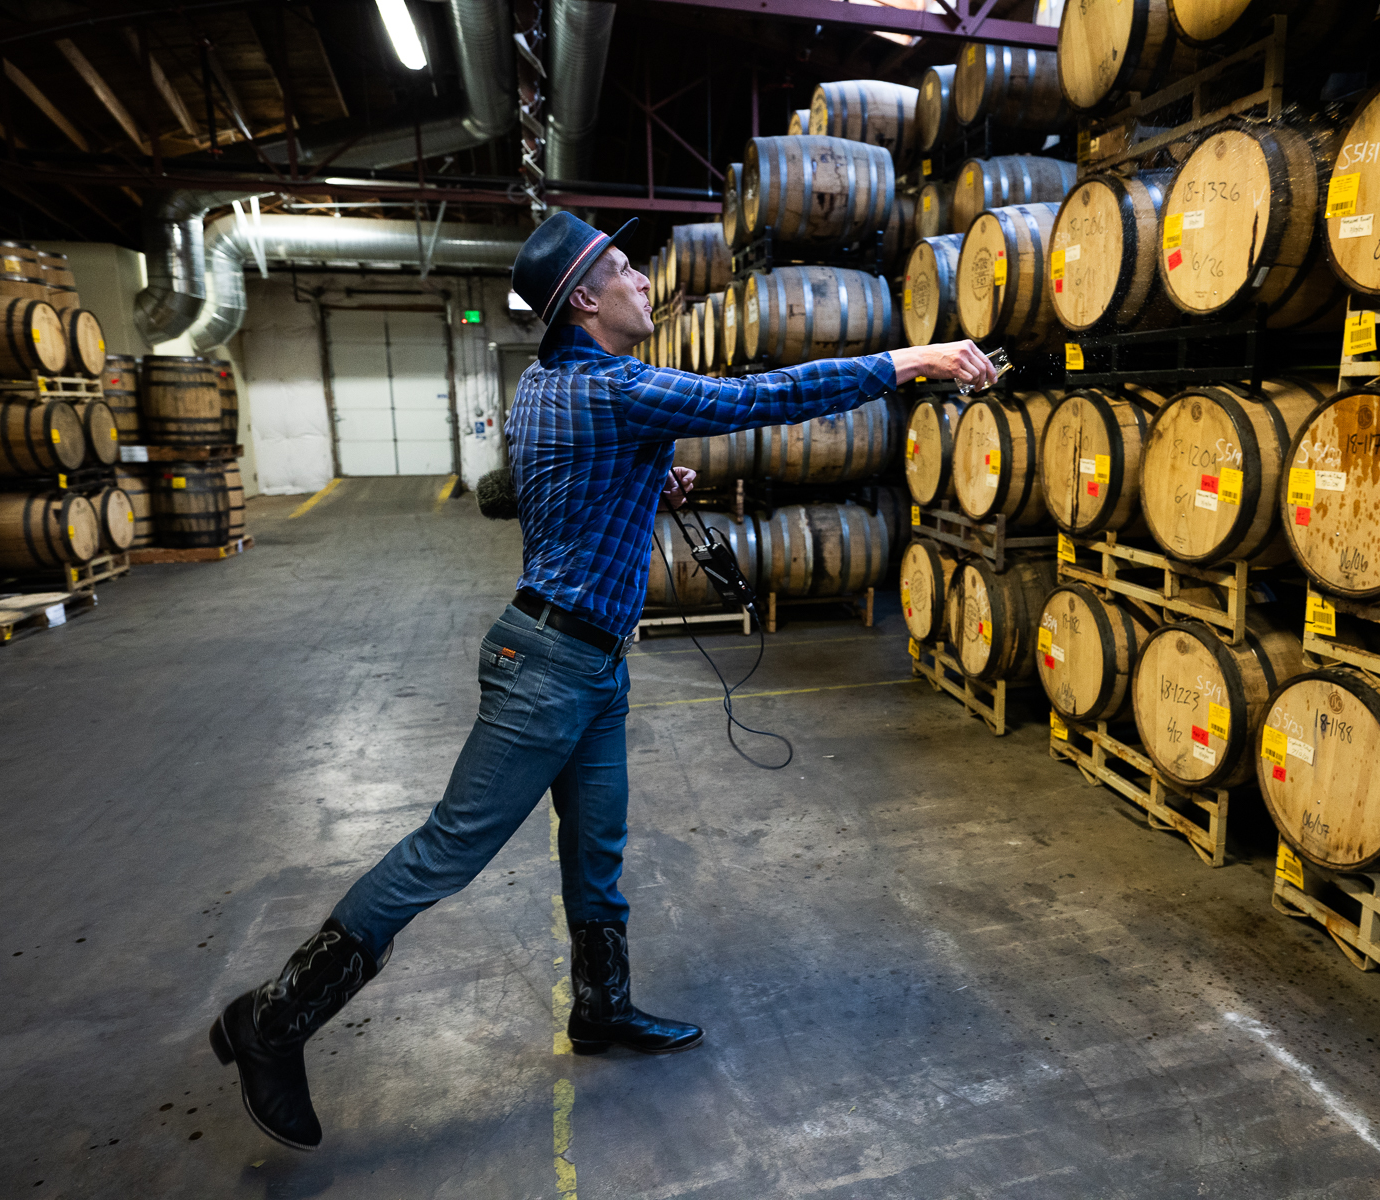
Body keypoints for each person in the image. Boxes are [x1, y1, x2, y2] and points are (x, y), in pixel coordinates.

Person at [208, 212, 998, 1150]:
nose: (642, 280)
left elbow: (553, 481)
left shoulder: (549, 384)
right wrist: (914, 360)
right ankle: (272, 1019)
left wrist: (645, 476)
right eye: (622, 269)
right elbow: (763, 398)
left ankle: (601, 1010)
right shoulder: (617, 388)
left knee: (598, 854)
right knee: (444, 853)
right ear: (583, 300)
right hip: (548, 671)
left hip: (585, 665)